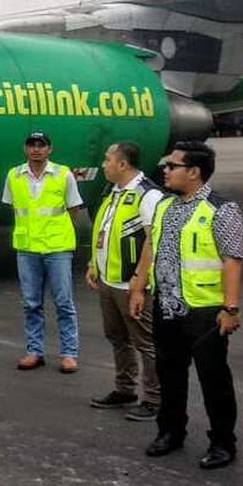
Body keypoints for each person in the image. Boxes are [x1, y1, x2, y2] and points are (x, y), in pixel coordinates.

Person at [129, 141, 243, 470]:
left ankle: (223, 442)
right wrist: (139, 286)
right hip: (167, 306)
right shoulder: (164, 205)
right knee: (169, 374)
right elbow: (151, 243)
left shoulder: (221, 209)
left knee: (214, 380)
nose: (164, 169)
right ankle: (171, 431)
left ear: (194, 172)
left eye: (172, 165)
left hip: (205, 310)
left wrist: (230, 309)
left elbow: (232, 260)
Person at [86, 142, 164, 421]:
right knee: (117, 338)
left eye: (107, 159)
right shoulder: (112, 192)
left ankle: (155, 398)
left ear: (123, 164)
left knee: (146, 342)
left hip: (131, 285)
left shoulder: (147, 194)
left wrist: (138, 284)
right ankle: (125, 389)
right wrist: (94, 264)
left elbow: (153, 241)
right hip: (109, 281)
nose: (103, 164)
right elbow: (105, 230)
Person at [2, 131, 84, 373]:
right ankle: (34, 351)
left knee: (63, 302)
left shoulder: (63, 174)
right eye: (32, 145)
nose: (36, 149)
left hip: (57, 247)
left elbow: (74, 209)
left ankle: (69, 354)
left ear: (50, 149)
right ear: (25, 149)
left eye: (41, 145)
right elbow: (14, 207)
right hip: (27, 248)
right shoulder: (14, 175)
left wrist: (56, 233)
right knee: (31, 302)